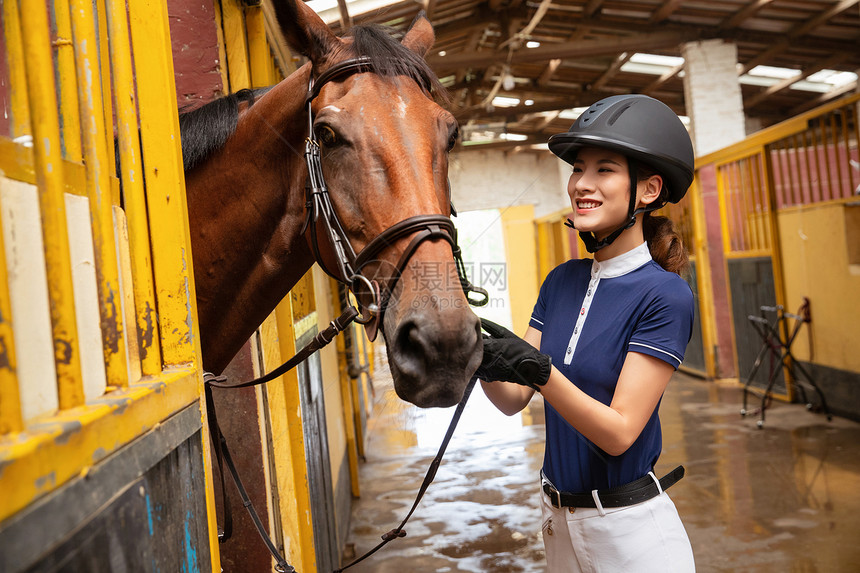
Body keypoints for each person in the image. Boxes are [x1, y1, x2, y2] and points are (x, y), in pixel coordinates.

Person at [477, 94, 697, 572]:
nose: (582, 184)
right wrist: (476, 354)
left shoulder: (665, 296)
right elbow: (514, 398)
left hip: (629, 531)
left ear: (648, 189)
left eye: (604, 169)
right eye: (578, 168)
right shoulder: (561, 280)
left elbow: (619, 433)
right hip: (557, 522)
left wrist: (542, 373)